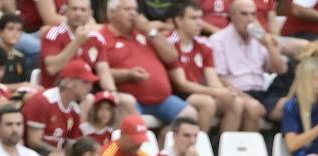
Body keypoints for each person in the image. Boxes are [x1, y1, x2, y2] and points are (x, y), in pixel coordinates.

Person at [92, 0, 196, 124]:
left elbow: (172, 56)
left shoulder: (144, 33)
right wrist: (128, 74)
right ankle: (115, 145)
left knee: (190, 115)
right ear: (112, 12)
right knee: (135, 127)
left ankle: (165, 140)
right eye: (127, 10)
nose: (133, 14)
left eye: (135, 10)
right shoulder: (101, 36)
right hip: (131, 100)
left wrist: (149, 30)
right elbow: (98, 72)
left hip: (163, 99)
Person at [166, 1, 258, 133]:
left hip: (198, 93)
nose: (199, 23)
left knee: (235, 102)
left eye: (200, 18)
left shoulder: (203, 46)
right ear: (179, 21)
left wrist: (226, 92)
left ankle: (223, 149)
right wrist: (217, 92)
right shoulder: (170, 43)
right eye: (193, 18)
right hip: (176, 95)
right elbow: (182, 84)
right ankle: (198, 145)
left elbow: (213, 79)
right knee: (207, 102)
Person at [209, 0, 288, 120]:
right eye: (244, 14)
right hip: (237, 92)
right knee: (250, 109)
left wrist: (268, 45)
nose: (250, 19)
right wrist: (247, 99)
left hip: (261, 91)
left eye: (253, 14)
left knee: (289, 106)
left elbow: (281, 70)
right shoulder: (218, 40)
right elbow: (220, 78)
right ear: (232, 16)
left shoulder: (260, 37)